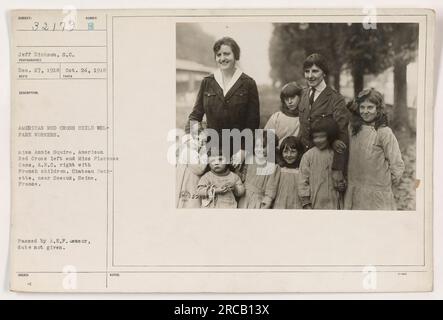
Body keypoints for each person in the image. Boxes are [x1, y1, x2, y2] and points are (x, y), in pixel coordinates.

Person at [187, 37, 260, 168]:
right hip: (212, 152)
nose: (222, 58)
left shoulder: (248, 83)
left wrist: (243, 150)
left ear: (235, 55)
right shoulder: (208, 82)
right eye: (218, 55)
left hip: (238, 152)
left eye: (227, 54)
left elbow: (253, 122)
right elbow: (195, 116)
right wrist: (193, 138)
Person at [344, 88, 405, 210]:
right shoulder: (353, 129)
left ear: (378, 109)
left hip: (377, 191)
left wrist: (385, 184)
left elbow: (397, 163)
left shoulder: (384, 132)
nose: (365, 111)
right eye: (362, 107)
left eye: (370, 107)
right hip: (355, 188)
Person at [297, 53, 350, 191]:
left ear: (324, 73)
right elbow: (302, 128)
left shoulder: (335, 99)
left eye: (315, 71)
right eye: (307, 71)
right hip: (303, 160)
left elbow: (343, 135)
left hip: (325, 162)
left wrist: (337, 169)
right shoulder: (303, 95)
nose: (310, 75)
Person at [298, 117, 346, 210]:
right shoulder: (308, 156)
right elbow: (302, 181)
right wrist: (306, 203)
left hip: (334, 203)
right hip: (315, 203)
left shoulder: (336, 154)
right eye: (315, 137)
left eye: (322, 136)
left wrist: (343, 184)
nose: (318, 140)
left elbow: (344, 174)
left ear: (330, 136)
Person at [238, 130, 281, 209]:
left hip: (258, 201)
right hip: (243, 197)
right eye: (256, 146)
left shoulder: (273, 167)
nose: (259, 149)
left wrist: (267, 202)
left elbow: (271, 188)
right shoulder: (249, 160)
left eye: (263, 146)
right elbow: (241, 177)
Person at [175, 130, 208, 208]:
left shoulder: (186, 150)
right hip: (189, 182)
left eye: (203, 141)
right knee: (190, 203)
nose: (200, 143)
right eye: (197, 139)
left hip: (186, 180)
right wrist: (204, 154)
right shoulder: (190, 152)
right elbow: (199, 169)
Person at [264, 81, 302, 146]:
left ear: (300, 97)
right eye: (286, 99)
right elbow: (263, 139)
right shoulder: (277, 117)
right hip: (275, 152)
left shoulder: (304, 117)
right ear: (283, 100)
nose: (290, 102)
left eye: (293, 97)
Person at [273, 136, 304, 209]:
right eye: (285, 152)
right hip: (279, 203)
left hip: (296, 204)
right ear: (281, 152)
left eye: (293, 152)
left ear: (299, 153)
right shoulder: (279, 169)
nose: (289, 155)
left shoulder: (301, 170)